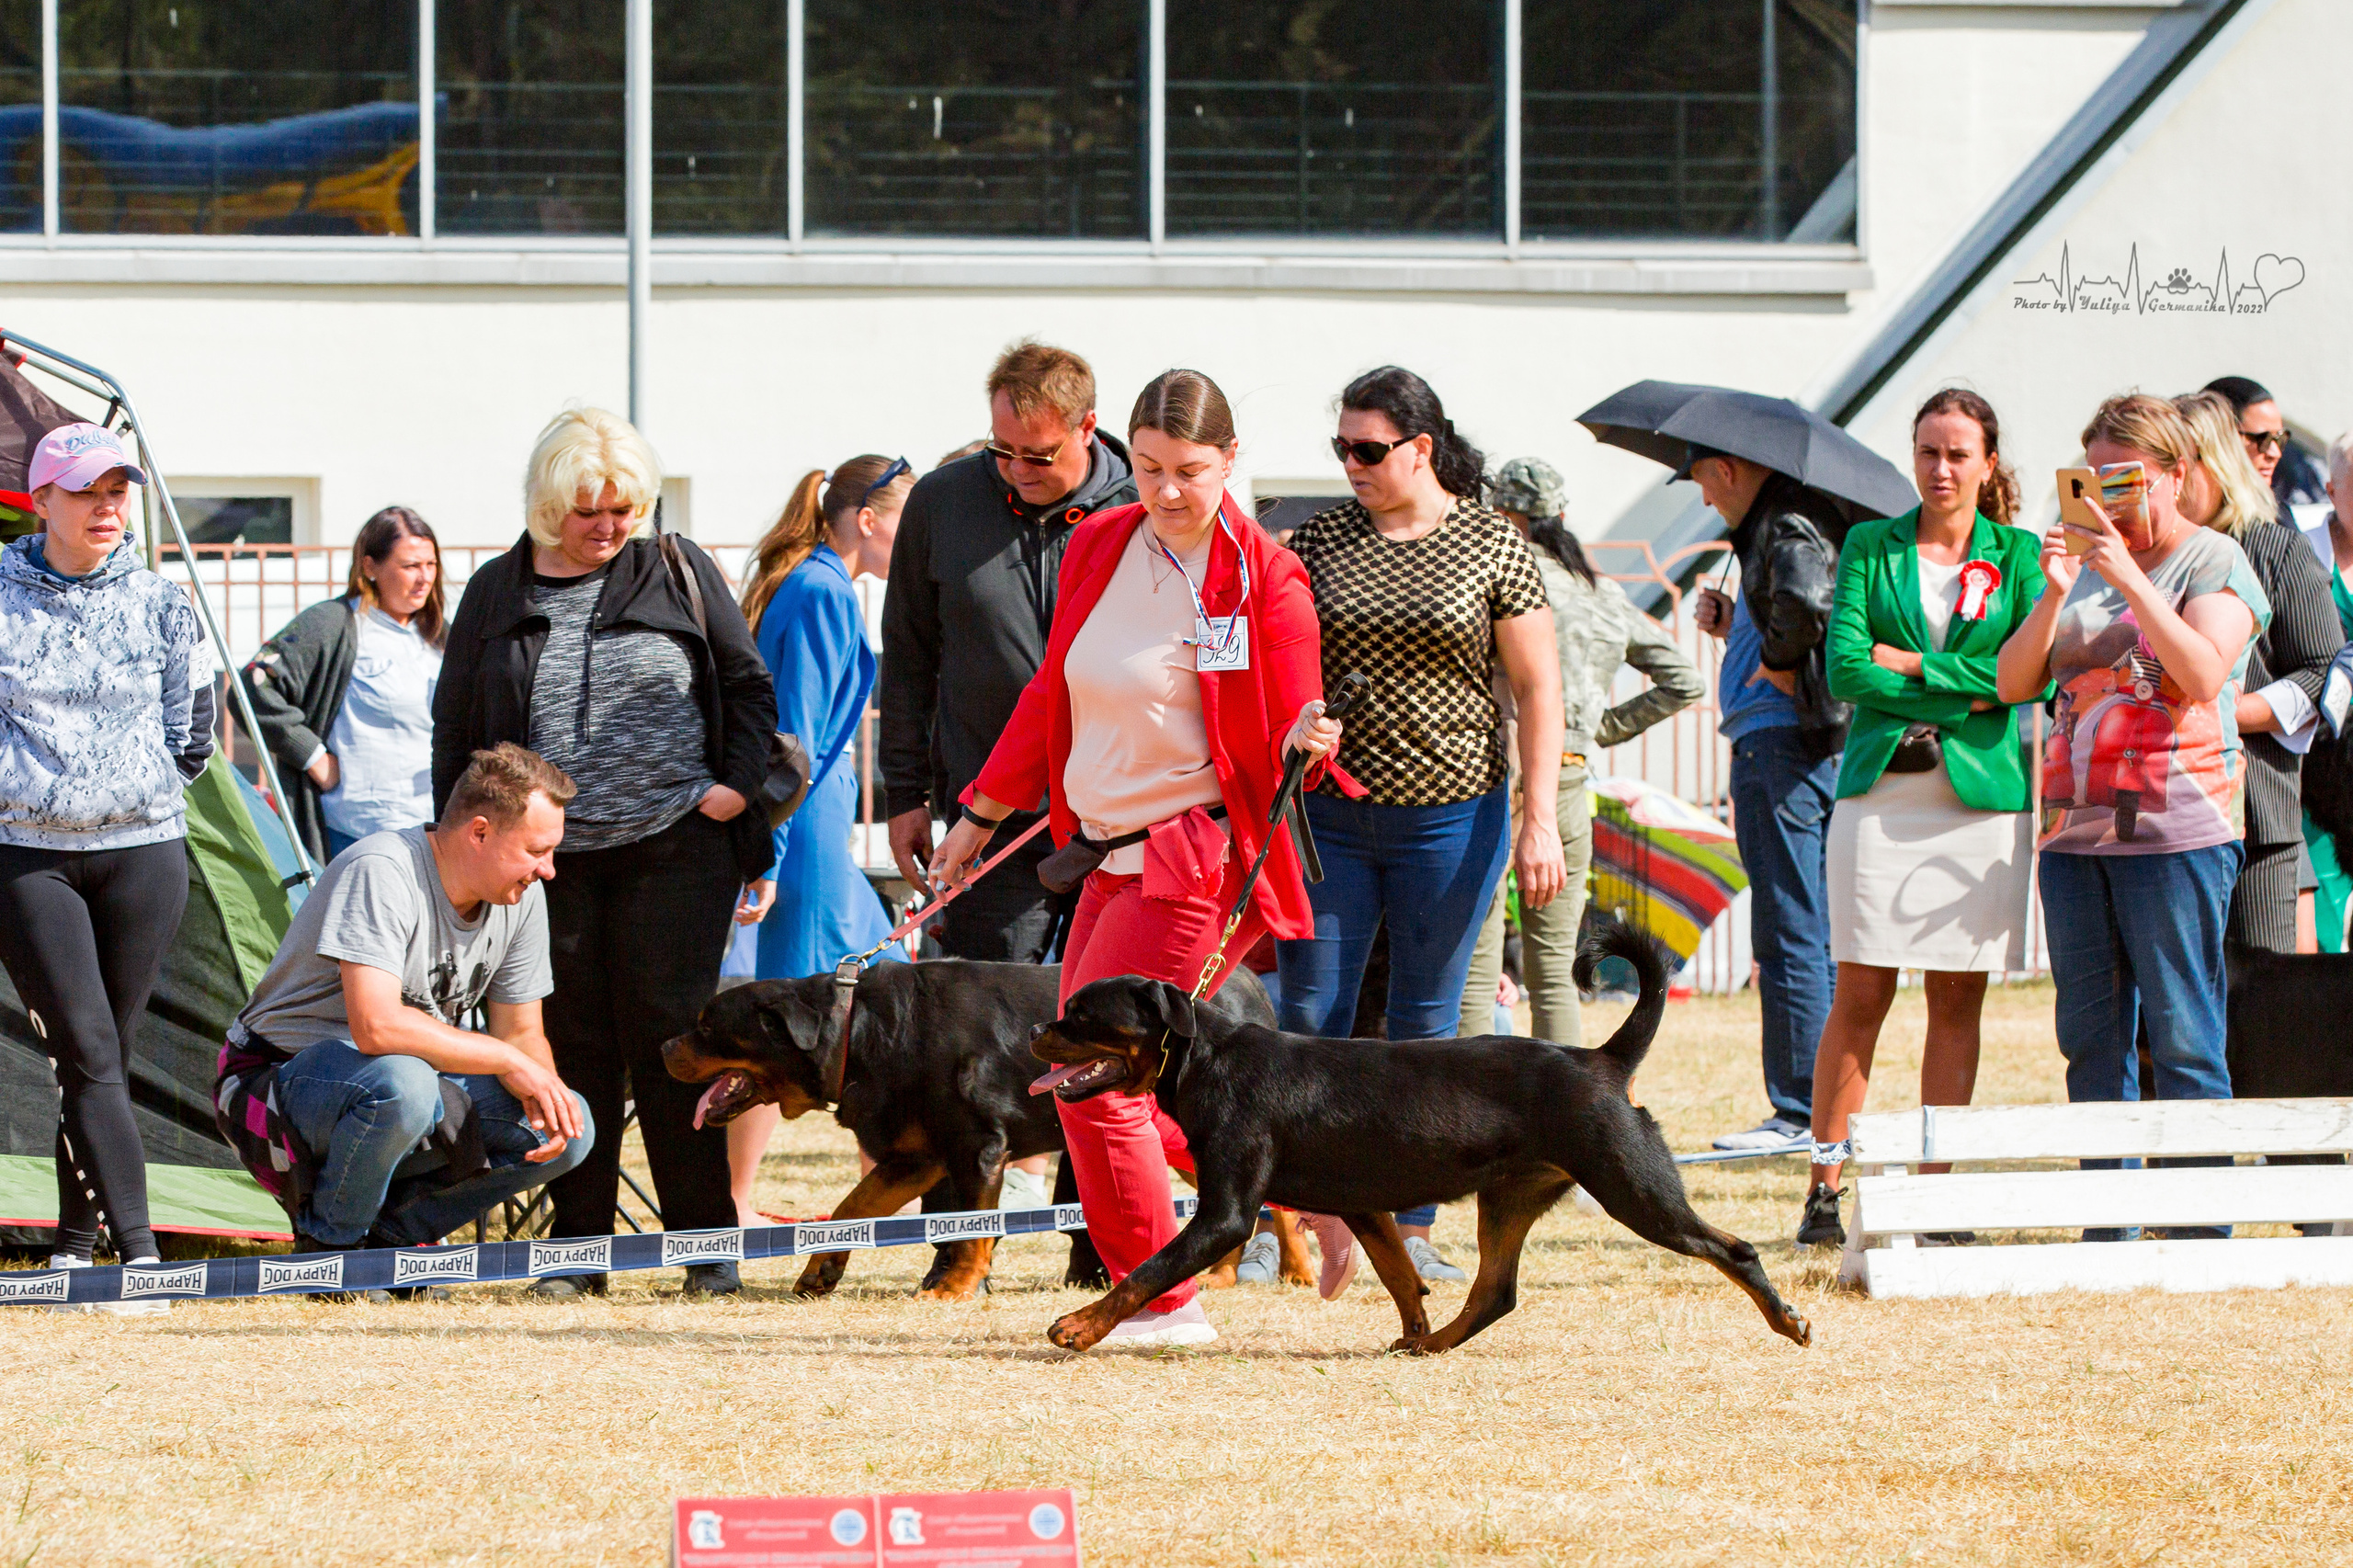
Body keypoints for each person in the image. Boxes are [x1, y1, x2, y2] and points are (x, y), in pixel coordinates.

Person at [929, 369, 1341, 1346]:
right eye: (1148, 467)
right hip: (1103, 851)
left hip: (1194, 854)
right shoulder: (1099, 544)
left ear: (1230, 461)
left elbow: (1293, 743)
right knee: (1082, 1076)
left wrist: (1306, 743)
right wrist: (978, 814)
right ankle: (1313, 1186)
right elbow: (1049, 701)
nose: (1165, 492)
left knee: (1103, 1082)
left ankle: (1161, 1304)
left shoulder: (1263, 577)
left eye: (1189, 472)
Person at [433, 407, 777, 1296]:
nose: (609, 527)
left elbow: (747, 685)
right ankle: (576, 1256)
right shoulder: (496, 592)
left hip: (678, 848)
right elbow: (457, 730)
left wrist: (735, 791)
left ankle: (707, 1253)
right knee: (566, 1050)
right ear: (549, 505)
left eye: (624, 509)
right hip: (550, 864)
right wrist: (459, 855)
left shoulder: (678, 569)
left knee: (677, 1047)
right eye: (589, 511)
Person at [1277, 367, 1565, 1285]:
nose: (1352, 465)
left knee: (1424, 1024)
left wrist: (1540, 818)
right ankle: (1296, 1216)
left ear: (1421, 448)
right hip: (1330, 811)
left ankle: (1412, 1220)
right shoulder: (1318, 539)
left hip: (1453, 815)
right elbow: (1279, 662)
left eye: (1368, 450)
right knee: (1308, 1019)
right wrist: (1298, 717)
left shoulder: (1492, 543)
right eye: (1342, 450)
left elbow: (1536, 687)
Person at [1997, 394, 2266, 1233]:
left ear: (2177, 476)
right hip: (2074, 835)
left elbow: (2201, 675)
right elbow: (2012, 683)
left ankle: (2198, 1222)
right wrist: (2054, 594)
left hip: (2178, 831)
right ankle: (2108, 1218)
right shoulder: (2085, 569)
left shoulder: (2216, 562)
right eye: (2092, 482)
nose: (2107, 501)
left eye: (2127, 481)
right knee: (2089, 1034)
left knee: (2184, 1030)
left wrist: (2127, 578)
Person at [1796, 391, 2045, 1247]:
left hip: (1978, 800)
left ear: (1987, 462)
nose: (1941, 469)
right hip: (1881, 793)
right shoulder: (1871, 543)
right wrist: (1963, 677)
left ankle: (1937, 1194)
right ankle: (1824, 1187)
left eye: (1957, 454)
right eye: (1928, 451)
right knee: (1860, 991)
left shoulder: (2018, 555)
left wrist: (1920, 664)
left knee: (1957, 998)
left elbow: (2032, 679)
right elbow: (1849, 673)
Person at [218, 744, 592, 1295]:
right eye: (537, 850)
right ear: (480, 833)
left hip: (399, 1086)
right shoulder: (383, 868)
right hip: (270, 1083)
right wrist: (508, 1058)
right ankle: (329, 1255)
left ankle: (391, 1243)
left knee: (570, 1124)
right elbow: (377, 1028)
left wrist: (546, 1093)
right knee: (405, 1084)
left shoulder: (520, 899)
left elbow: (522, 1033)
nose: (549, 870)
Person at [0, 424, 212, 1307]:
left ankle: (71, 1244)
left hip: (144, 856)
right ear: (39, 500)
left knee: (107, 1056)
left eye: (119, 491)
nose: (108, 507)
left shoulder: (163, 602)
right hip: (27, 859)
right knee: (86, 1049)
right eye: (87, 491)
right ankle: (141, 1257)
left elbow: (195, 722)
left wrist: (142, 785)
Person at [880, 339, 1138, 963]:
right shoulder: (942, 501)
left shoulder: (1143, 510)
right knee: (984, 1025)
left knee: (1113, 1016)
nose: (1018, 468)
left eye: (1038, 454)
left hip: (1121, 817)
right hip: (988, 820)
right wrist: (903, 795)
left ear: (1087, 428)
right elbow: (907, 656)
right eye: (1003, 450)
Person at [723, 455, 912, 1227]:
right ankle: (729, 1203)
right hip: (804, 829)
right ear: (867, 520)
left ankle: (887, 1198)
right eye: (909, 519)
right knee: (789, 1023)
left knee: (891, 993)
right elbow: (792, 738)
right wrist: (766, 852)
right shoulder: (822, 591)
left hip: (817, 823)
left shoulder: (821, 587)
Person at [1460, 457, 1700, 1050]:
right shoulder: (1603, 593)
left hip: (1491, 775)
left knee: (1475, 962)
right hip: (1568, 781)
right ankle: (1559, 1117)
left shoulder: (1493, 577)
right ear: (1561, 515)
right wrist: (1602, 729)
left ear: (1504, 513)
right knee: (1554, 969)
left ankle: (1466, 1111)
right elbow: (1684, 680)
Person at [1688, 450, 1854, 1151]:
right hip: (1797, 742)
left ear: (1726, 468)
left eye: (1699, 481)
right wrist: (1740, 626)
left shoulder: (1782, 522)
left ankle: (1798, 1112)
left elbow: (1805, 602)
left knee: (1789, 930)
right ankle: (1822, 1110)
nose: (1702, 501)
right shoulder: (1791, 520)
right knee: (1813, 928)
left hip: (1778, 743)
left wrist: (1778, 663)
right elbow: (1795, 601)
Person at [2175, 392, 2342, 954]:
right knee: (2151, 1024)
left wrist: (2223, 711)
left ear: (2216, 465)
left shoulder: (2275, 550)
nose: (2167, 483)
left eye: (2182, 463)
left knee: (2256, 1022)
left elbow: (2325, 674)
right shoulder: (2130, 555)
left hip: (2255, 824)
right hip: (2139, 829)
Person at [244, 506, 447, 862]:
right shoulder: (335, 624)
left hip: (431, 831)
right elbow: (253, 685)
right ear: (369, 567)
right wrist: (312, 755)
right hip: (355, 834)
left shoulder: (440, 635)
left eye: (431, 565)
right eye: (410, 566)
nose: (424, 578)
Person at [2203, 374, 2328, 517]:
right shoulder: (2180, 517)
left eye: (2281, 438)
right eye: (2264, 438)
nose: (2275, 453)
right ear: (2220, 438)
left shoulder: (2278, 523)